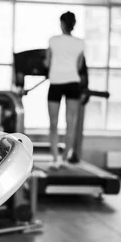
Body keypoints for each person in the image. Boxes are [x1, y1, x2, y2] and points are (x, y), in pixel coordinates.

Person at [44, 11, 85, 169]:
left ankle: (55, 159)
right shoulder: (81, 43)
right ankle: (65, 157)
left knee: (53, 123)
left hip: (56, 82)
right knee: (70, 123)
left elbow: (47, 63)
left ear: (62, 23)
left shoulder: (53, 40)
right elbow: (79, 66)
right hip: (73, 82)